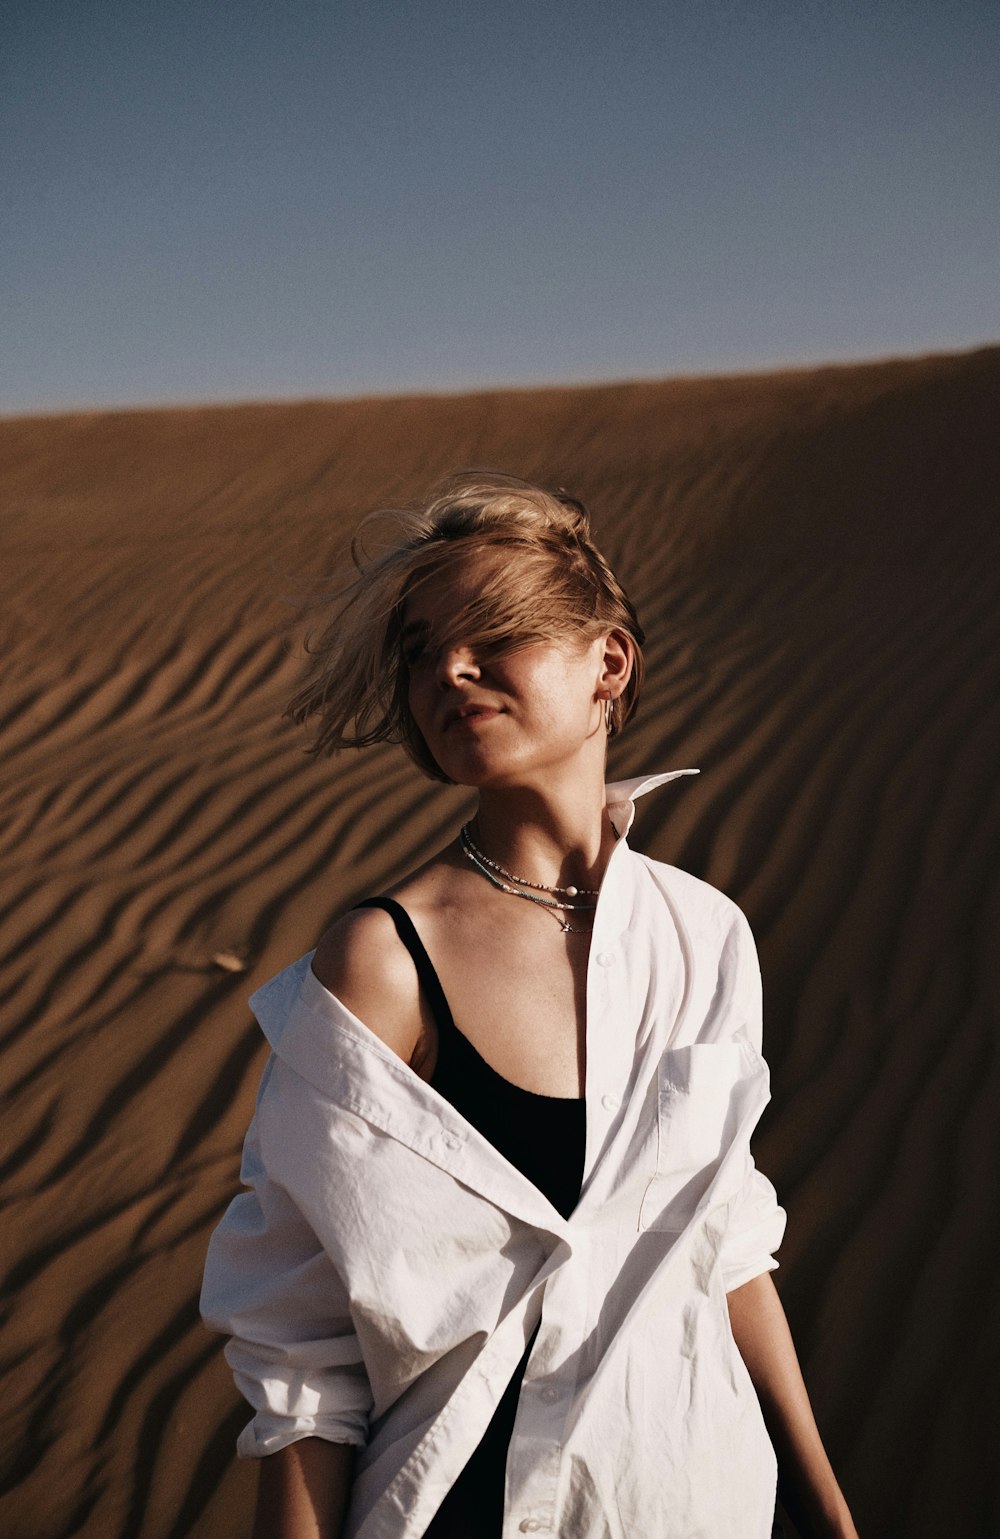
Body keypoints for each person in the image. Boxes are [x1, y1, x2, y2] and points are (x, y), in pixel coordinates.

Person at [200, 473, 859, 1539]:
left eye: (490, 633)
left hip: (697, 1501)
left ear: (610, 660)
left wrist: (827, 1507)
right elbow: (299, 1335)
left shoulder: (702, 936)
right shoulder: (383, 958)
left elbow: (724, 1242)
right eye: (418, 650)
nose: (448, 670)